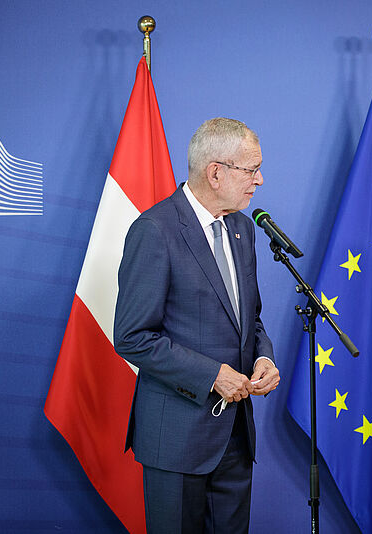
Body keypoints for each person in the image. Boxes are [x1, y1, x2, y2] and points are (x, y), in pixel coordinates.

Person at [114, 117, 280, 533]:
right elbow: (133, 337)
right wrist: (212, 375)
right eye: (251, 169)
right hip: (178, 439)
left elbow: (249, 318)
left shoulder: (244, 228)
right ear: (216, 172)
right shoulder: (155, 231)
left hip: (236, 436)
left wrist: (264, 357)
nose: (259, 180)